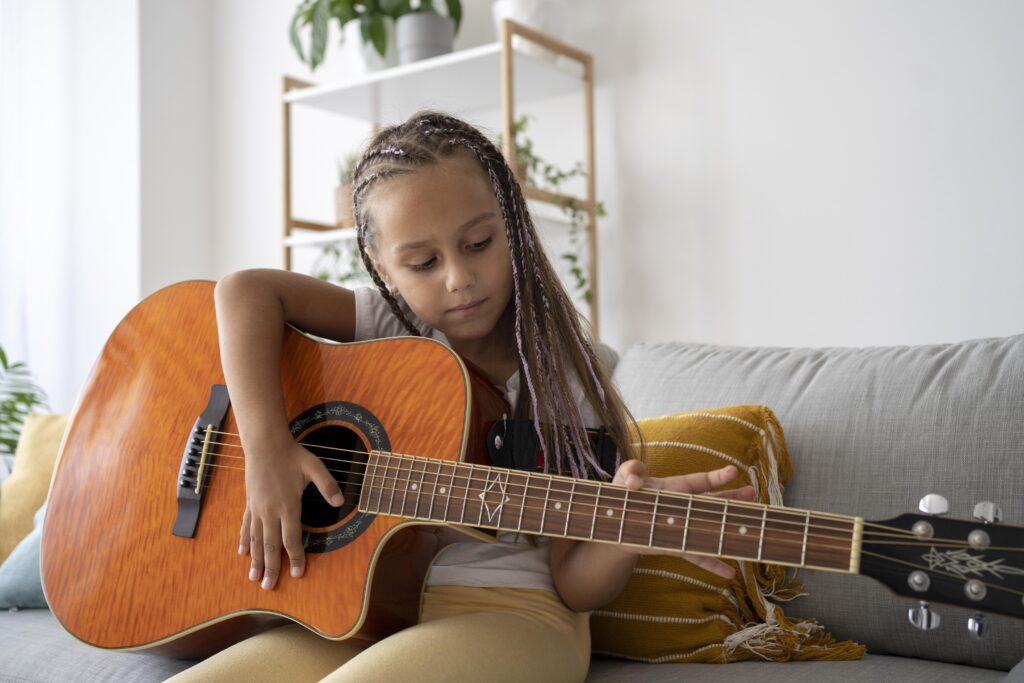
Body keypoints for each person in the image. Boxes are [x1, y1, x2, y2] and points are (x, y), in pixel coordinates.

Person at [169, 111, 754, 683]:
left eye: (478, 242)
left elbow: (576, 584)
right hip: (359, 611)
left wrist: (625, 531)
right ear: (382, 267)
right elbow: (242, 291)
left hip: (514, 613)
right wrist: (266, 450)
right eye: (422, 262)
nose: (458, 279)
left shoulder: (569, 374)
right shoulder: (385, 322)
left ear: (511, 225)